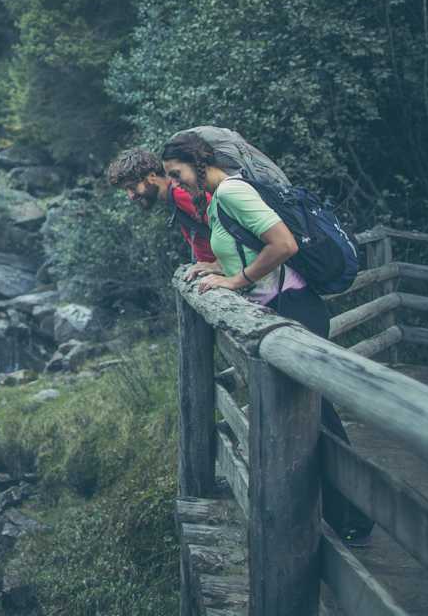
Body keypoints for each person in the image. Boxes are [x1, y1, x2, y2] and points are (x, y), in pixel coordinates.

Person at [160, 130, 374, 546]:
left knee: (318, 422)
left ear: (198, 163)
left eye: (176, 172)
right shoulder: (219, 198)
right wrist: (215, 269)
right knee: (309, 419)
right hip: (283, 306)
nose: (175, 182)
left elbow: (284, 245)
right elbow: (247, 245)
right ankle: (342, 515)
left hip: (293, 309)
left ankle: (355, 515)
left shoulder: (231, 193)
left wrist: (236, 280)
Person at [105, 148, 218, 265]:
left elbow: (225, 222)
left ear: (152, 176)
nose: (131, 196)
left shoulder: (180, 193)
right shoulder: (173, 197)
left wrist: (217, 265)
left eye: (132, 187)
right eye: (126, 190)